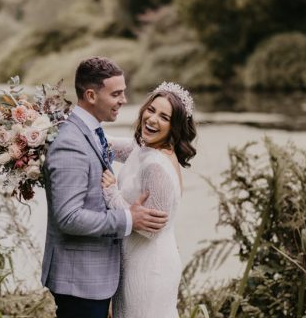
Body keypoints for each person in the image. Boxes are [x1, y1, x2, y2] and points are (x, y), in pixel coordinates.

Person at [41, 57, 169, 318]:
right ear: (91, 95)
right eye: (117, 93)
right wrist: (128, 218)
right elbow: (69, 218)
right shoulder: (71, 144)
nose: (124, 99)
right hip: (80, 281)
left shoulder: (91, 132)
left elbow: (135, 148)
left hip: (93, 277)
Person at [101, 81, 197, 318]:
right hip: (134, 260)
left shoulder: (156, 165)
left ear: (174, 127)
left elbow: (153, 229)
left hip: (150, 267)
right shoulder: (143, 149)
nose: (153, 119)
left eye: (164, 117)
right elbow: (104, 143)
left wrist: (112, 194)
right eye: (151, 110)